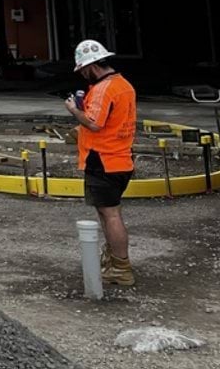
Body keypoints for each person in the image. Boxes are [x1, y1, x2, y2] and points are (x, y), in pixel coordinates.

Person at [65, 39, 138, 287]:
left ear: (91, 66)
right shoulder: (123, 85)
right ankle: (115, 260)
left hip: (103, 160)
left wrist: (74, 111)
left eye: (83, 70)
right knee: (108, 213)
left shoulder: (104, 89)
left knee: (110, 214)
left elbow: (94, 123)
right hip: (120, 158)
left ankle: (121, 266)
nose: (83, 75)